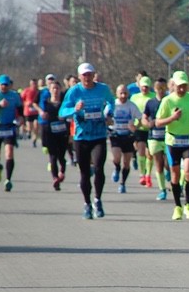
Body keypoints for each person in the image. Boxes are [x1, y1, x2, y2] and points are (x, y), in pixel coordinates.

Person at [60, 62, 115, 219]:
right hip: (81, 137)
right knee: (84, 173)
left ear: (93, 75)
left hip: (99, 135)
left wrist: (108, 113)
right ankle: (87, 204)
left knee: (98, 168)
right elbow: (62, 111)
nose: (87, 77)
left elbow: (111, 102)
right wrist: (74, 109)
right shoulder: (74, 91)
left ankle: (97, 200)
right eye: (84, 75)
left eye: (90, 74)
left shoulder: (102, 89)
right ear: (79, 76)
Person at [156, 70, 189, 220]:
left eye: (184, 86)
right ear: (173, 85)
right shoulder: (167, 100)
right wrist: (172, 118)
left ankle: (188, 204)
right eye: (179, 86)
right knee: (175, 174)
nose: (182, 89)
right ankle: (177, 206)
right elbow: (158, 122)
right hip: (173, 141)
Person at [39, 77, 69, 190]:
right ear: (50, 90)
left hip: (62, 133)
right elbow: (42, 115)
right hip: (50, 133)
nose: (55, 90)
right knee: (53, 156)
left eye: (57, 88)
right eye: (53, 88)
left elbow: (70, 115)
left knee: (61, 156)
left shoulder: (64, 103)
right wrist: (42, 114)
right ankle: (55, 178)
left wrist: (64, 116)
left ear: (60, 90)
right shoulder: (46, 103)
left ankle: (62, 171)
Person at [142, 77, 169, 200]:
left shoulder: (169, 101)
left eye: (163, 88)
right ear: (155, 88)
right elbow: (144, 117)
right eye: (158, 88)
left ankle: (169, 174)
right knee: (158, 163)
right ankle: (162, 190)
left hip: (168, 137)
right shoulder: (150, 102)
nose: (161, 90)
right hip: (154, 137)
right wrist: (147, 123)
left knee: (168, 163)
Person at [109, 84, 139, 193]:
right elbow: (105, 117)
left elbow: (140, 119)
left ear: (128, 94)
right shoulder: (112, 105)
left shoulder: (132, 106)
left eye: (125, 93)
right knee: (116, 157)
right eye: (121, 93)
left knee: (126, 163)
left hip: (128, 136)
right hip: (116, 135)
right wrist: (108, 122)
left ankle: (122, 183)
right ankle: (117, 168)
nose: (123, 96)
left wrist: (135, 127)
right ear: (116, 94)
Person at [129, 76, 155, 188]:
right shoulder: (134, 97)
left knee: (150, 154)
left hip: (150, 128)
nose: (144, 89)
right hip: (138, 128)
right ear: (139, 86)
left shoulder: (153, 97)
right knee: (141, 151)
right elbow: (130, 111)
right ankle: (142, 174)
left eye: (146, 87)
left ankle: (148, 174)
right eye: (143, 86)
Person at [20, 78, 40, 145]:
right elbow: (21, 100)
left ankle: (34, 139)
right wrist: (26, 103)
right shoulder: (26, 90)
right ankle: (24, 129)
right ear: (30, 84)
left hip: (36, 111)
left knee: (36, 125)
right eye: (32, 84)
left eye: (35, 84)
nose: (34, 85)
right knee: (30, 127)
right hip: (28, 111)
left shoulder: (39, 91)